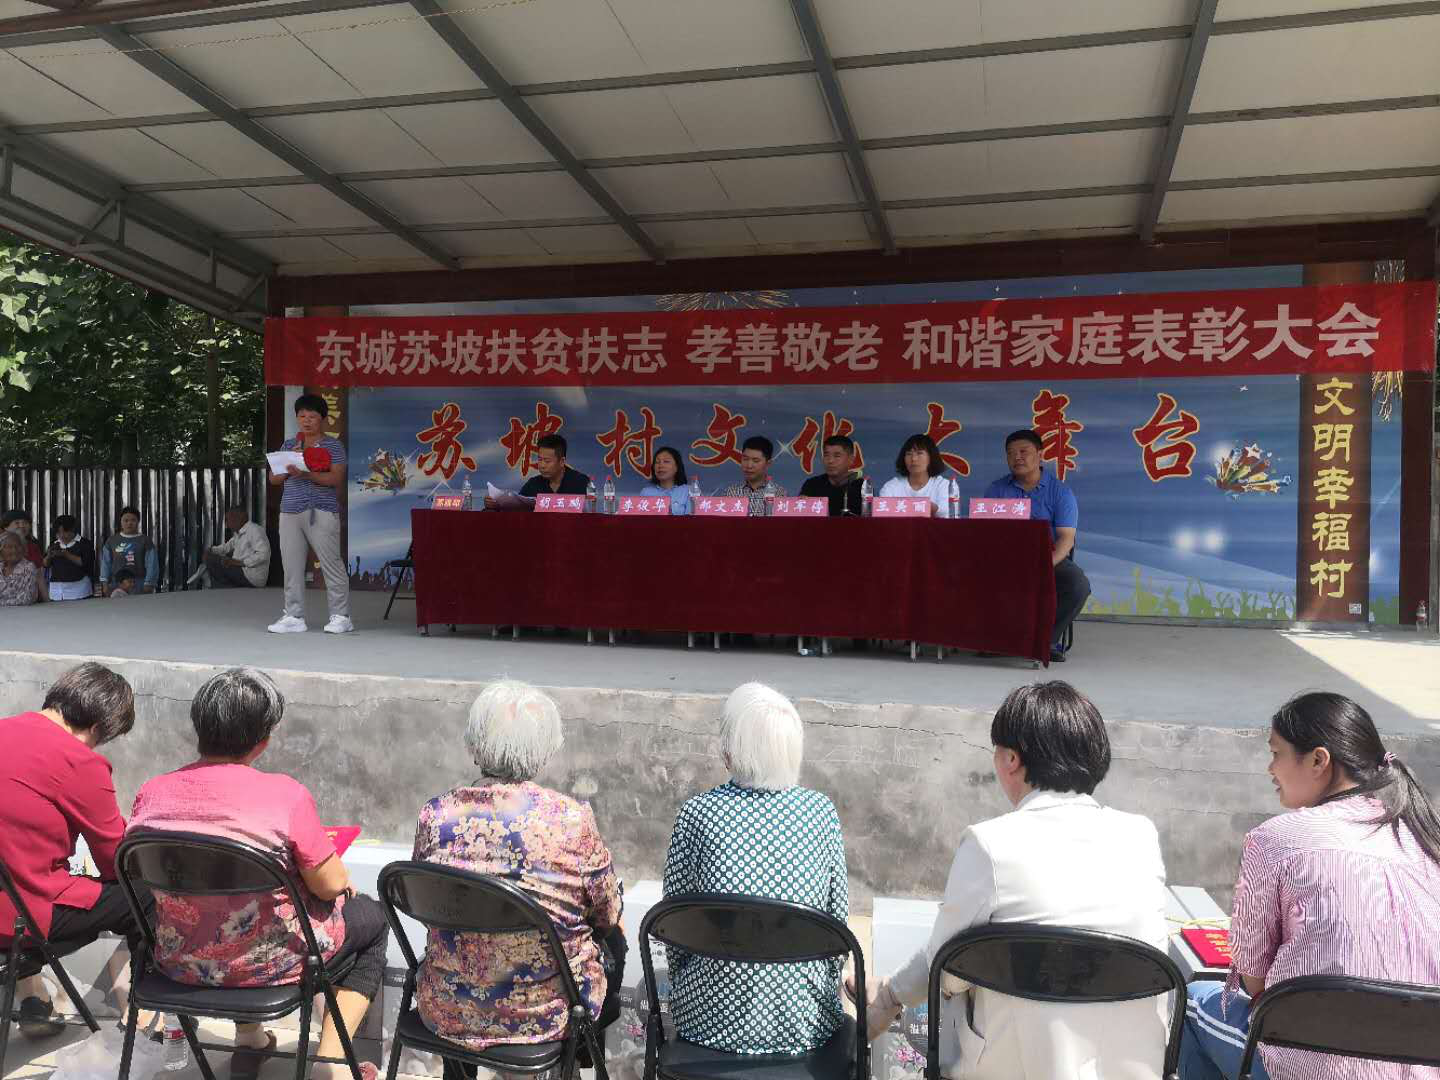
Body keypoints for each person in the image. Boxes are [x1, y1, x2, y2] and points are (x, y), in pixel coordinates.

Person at [862, 681, 1168, 1080]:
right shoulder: (1141, 836)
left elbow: (944, 966)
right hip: (1131, 1069)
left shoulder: (989, 844)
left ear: (1011, 759)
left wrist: (889, 997)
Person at [129, 668, 389, 1080]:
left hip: (180, 960)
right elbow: (330, 885)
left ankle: (250, 1038)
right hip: (272, 963)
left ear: (199, 729)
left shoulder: (152, 792)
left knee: (225, 911)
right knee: (372, 919)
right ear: (263, 740)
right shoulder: (285, 795)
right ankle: (331, 1063)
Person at [1179, 692, 1440, 1080]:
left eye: (1276, 753)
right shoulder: (1424, 839)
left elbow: (1253, 979)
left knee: (1192, 1002)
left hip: (1312, 1062)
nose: (1270, 768)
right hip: (1423, 1065)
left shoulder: (1276, 839)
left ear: (1319, 760)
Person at [411, 680, 624, 1052]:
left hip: (447, 1008)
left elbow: (423, 902)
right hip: (546, 1014)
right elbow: (605, 914)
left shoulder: (436, 815)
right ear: (545, 749)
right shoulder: (570, 820)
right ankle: (565, 1065)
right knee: (613, 938)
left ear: (473, 743)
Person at [663, 682, 848, 1055]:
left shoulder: (699, 813)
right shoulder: (820, 812)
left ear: (731, 750)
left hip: (707, 1017)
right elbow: (837, 923)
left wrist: (693, 982)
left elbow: (674, 926)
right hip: (806, 1020)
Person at [0, 663, 152, 1039]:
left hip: (12, 897)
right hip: (21, 918)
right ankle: (146, 1016)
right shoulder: (78, 760)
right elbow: (116, 860)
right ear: (99, 728)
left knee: (19, 871)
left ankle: (33, 998)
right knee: (146, 898)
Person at [984, 429, 1090, 663]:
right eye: (1011, 453)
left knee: (1078, 585)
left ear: (1040, 455)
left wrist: (1045, 564)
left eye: (1024, 451)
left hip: (1047, 558)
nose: (1017, 457)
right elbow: (985, 533)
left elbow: (1066, 539)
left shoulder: (1060, 492)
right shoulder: (996, 490)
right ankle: (998, 638)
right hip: (1004, 560)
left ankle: (1045, 639)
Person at [269, 393, 352, 635]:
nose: (306, 421)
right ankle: (293, 616)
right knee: (291, 566)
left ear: (322, 419)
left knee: (331, 563)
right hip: (290, 511)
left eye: (312, 416)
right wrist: (289, 465)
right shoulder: (288, 445)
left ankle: (341, 616)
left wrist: (306, 474)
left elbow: (336, 478)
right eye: (302, 416)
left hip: (321, 510)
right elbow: (274, 479)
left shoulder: (333, 446)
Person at [486, 434, 590, 508]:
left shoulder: (581, 482)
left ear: (562, 461)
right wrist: (496, 505)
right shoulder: (533, 484)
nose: (542, 465)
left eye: (547, 461)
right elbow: (517, 509)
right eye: (540, 459)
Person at [879, 434, 951, 516]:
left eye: (919, 453)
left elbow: (947, 511)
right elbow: (882, 514)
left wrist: (924, 506)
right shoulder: (891, 487)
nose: (913, 459)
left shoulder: (943, 485)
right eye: (909, 454)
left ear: (931, 457)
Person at [202, 505, 271, 589]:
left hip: (252, 576)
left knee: (212, 560)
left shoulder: (255, 530)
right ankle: (224, 587)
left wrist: (239, 562)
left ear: (239, 518)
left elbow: (264, 554)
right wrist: (211, 550)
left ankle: (222, 588)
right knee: (212, 557)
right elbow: (226, 547)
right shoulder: (238, 533)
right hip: (242, 571)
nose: (227, 524)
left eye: (229, 519)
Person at [718, 436, 786, 516]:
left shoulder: (778, 493)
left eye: (755, 461)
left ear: (768, 464)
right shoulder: (731, 493)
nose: (749, 465)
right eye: (745, 459)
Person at [799, 435, 866, 516]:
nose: (830, 461)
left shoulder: (862, 487)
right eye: (826, 455)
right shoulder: (812, 485)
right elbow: (801, 515)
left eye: (837, 456)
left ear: (851, 460)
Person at [98, 506, 158, 596]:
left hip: (139, 584)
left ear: (138, 521)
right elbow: (106, 563)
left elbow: (152, 564)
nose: (129, 523)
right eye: (126, 520)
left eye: (133, 520)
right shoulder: (112, 541)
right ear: (121, 522)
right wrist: (105, 583)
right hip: (117, 585)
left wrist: (149, 583)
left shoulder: (145, 541)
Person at [43, 514, 96, 602]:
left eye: (65, 532)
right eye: (58, 533)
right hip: (56, 590)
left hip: (79, 589)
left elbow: (85, 563)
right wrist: (49, 556)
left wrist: (66, 555)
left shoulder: (84, 543)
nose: (62, 535)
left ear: (73, 529)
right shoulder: (54, 544)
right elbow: (45, 564)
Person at [640, 446, 693, 515]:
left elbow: (693, 519)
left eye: (666, 461)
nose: (660, 465)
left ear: (677, 467)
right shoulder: (646, 492)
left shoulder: (688, 491)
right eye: (657, 462)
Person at [0, 529, 43, 605]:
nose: (14, 550)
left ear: (23, 549)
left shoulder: (28, 568)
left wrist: (2, 602)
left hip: (23, 612)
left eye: (18, 546)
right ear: (1, 550)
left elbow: (26, 599)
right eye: (9, 547)